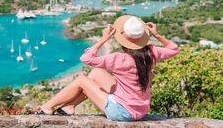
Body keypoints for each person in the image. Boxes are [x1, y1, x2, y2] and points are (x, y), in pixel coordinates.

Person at [36, 15, 180, 121]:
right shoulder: (152, 53)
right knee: (96, 73)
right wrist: (157, 34)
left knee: (81, 80)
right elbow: (174, 49)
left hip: (122, 112)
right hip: (140, 109)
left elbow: (85, 59)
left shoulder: (119, 59)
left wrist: (104, 39)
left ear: (122, 37)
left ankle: (47, 107)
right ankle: (69, 106)